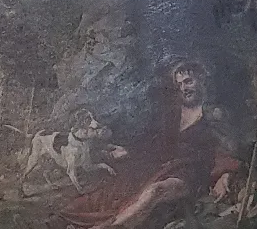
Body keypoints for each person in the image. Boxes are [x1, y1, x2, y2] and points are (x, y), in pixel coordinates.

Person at [54, 61, 239, 228]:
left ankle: (112, 227)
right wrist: (128, 151)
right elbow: (153, 142)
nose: (184, 88)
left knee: (155, 191)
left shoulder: (212, 114)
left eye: (188, 81)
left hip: (189, 173)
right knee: (113, 191)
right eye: (180, 84)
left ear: (201, 80)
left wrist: (224, 174)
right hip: (160, 166)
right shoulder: (173, 113)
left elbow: (226, 149)